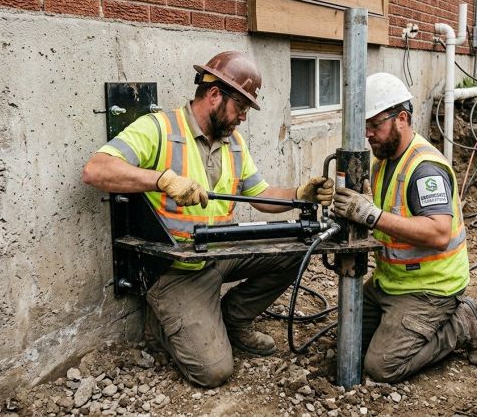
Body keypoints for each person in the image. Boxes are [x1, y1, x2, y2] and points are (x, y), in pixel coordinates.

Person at [81, 51, 334, 387]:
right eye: (241, 107)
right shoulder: (159, 128)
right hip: (175, 271)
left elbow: (258, 196)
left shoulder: (233, 143)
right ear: (215, 95)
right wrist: (161, 179)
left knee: (299, 248)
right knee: (214, 372)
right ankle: (164, 322)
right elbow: (96, 170)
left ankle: (234, 318)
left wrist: (299, 193)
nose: (243, 117)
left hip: (218, 256)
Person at [332, 72, 477, 383]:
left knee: (380, 367)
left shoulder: (424, 169)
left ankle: (462, 323)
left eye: (374, 125)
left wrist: (370, 215)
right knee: (346, 344)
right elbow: (383, 219)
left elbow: (438, 233)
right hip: (389, 283)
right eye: (365, 125)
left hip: (430, 289)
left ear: (402, 118)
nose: (368, 134)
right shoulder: (383, 162)